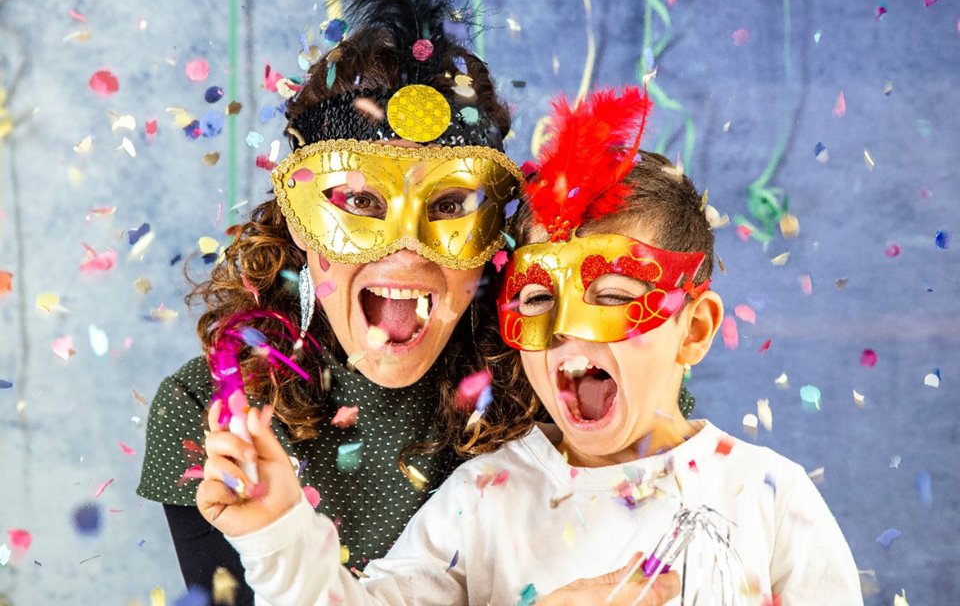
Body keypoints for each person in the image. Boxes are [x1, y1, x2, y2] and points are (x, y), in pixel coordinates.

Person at [197, 86, 863, 605]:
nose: (570, 329)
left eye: (610, 296)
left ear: (692, 328)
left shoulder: (770, 498)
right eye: (540, 299)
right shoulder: (485, 497)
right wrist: (281, 532)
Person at [136, 0, 538, 603]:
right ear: (298, 219)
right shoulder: (214, 411)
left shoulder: (570, 387)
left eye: (452, 204)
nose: (407, 249)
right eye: (358, 200)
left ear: (496, 232)